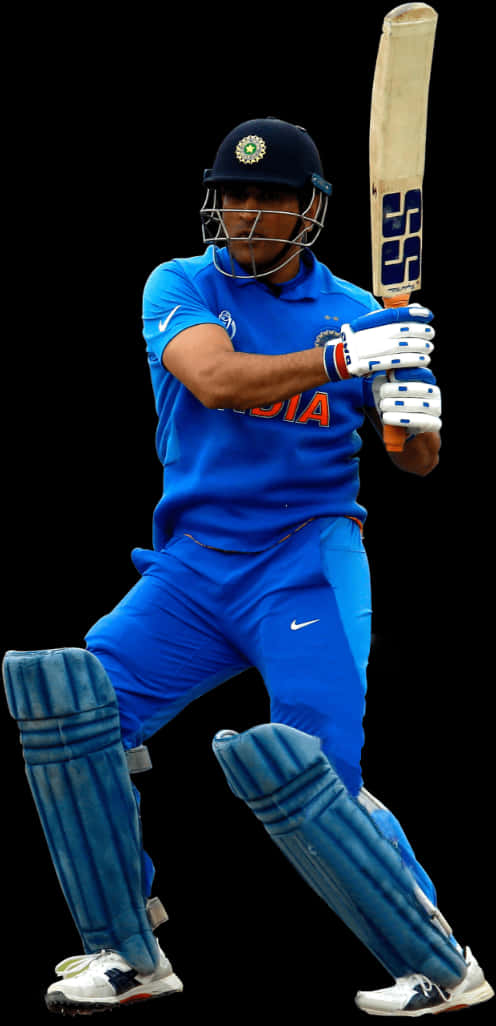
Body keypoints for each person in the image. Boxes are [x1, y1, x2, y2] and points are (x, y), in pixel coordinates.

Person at [3, 117, 493, 1018]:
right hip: (192, 570)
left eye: (271, 198)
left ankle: (442, 964)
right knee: (71, 710)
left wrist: (414, 404)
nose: (250, 213)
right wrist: (348, 356)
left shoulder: (355, 306)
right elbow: (217, 380)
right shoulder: (180, 284)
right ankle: (125, 950)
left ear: (309, 210)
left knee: (316, 774)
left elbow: (414, 461)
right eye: (236, 195)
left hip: (305, 558)